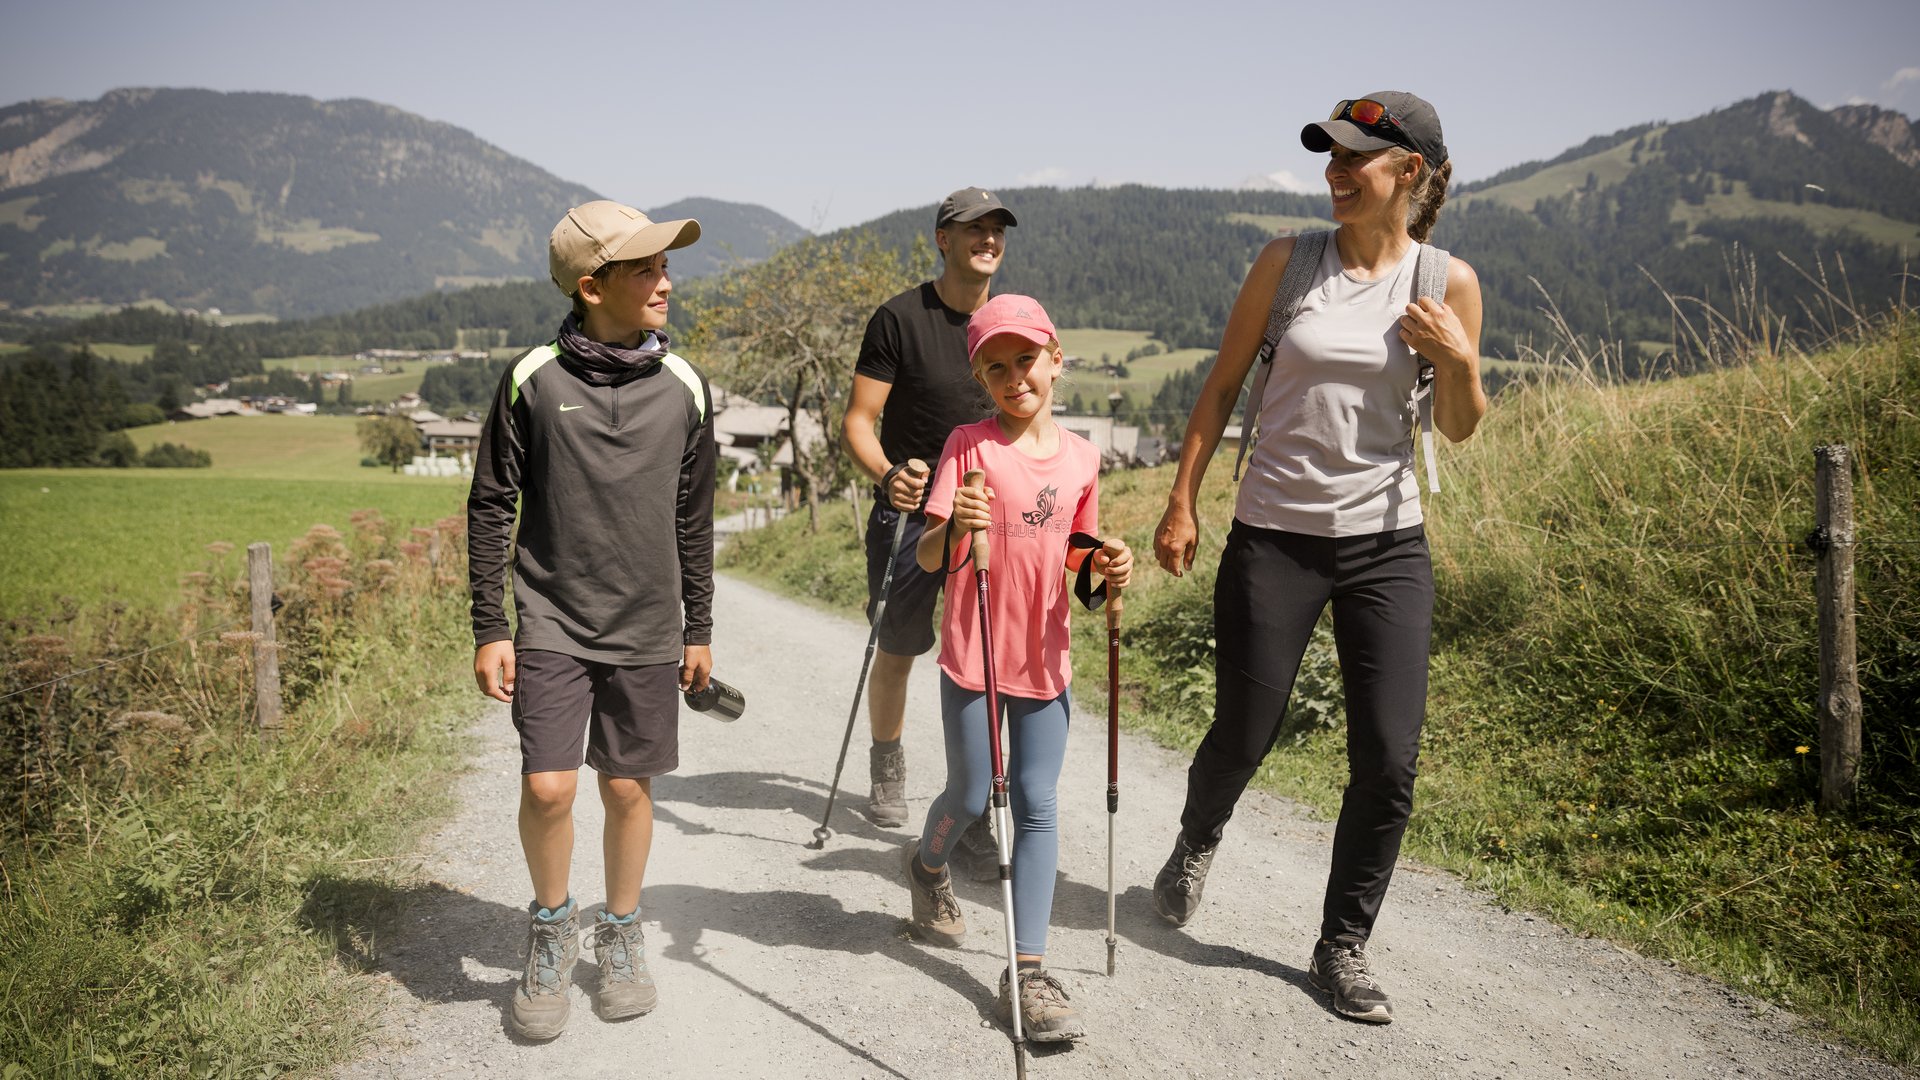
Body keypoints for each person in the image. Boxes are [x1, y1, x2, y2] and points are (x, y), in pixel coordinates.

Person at [1148, 92, 1486, 1024]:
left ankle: (1343, 945)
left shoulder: (1445, 280)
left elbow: (1457, 427)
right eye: (1328, 159)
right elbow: (1220, 389)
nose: (1334, 175)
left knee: (1388, 757)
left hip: (1387, 545)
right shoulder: (1288, 262)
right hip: (1275, 538)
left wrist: (1457, 360)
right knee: (1243, 734)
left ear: (1407, 172)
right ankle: (1195, 837)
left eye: (1354, 161)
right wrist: (1183, 502)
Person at [468, 200, 717, 1040]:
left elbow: (694, 516)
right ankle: (548, 926)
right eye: (645, 268)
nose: (665, 281)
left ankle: (619, 932)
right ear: (590, 286)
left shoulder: (686, 386)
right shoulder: (530, 378)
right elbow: (491, 505)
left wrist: (699, 625)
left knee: (625, 786)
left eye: (664, 265)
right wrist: (488, 624)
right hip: (550, 619)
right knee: (548, 786)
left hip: (648, 624)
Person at [900, 293, 1133, 1043]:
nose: (1013, 377)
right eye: (994, 367)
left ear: (1056, 359)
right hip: (974, 657)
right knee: (970, 794)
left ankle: (1026, 971)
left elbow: (1078, 563)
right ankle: (928, 866)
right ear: (980, 377)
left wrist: (1109, 565)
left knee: (1035, 802)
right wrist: (956, 526)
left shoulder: (1084, 458)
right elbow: (930, 556)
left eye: (1025, 359)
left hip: (1045, 659)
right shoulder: (968, 446)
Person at [842, 186, 1014, 871]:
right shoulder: (898, 318)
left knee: (983, 661)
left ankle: (969, 802)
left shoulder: (1008, 321)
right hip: (911, 512)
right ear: (943, 238)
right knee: (901, 644)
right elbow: (858, 419)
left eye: (998, 230)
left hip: (989, 517)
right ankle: (888, 763)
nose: (989, 240)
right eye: (974, 229)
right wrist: (888, 474)